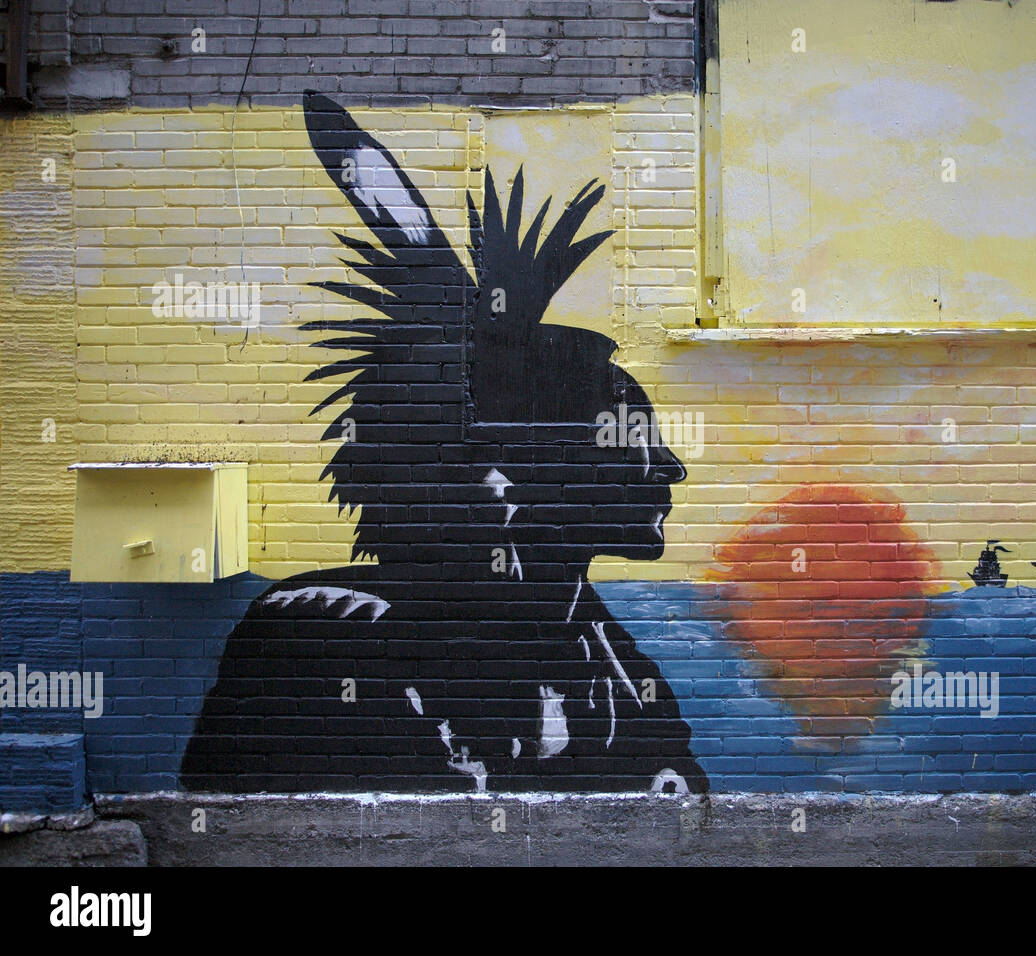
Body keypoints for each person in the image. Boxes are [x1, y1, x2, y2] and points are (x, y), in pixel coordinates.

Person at [180, 93, 707, 795]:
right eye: (627, 436)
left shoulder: (598, 650)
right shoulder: (324, 640)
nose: (668, 466)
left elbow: (676, 791)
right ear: (508, 475)